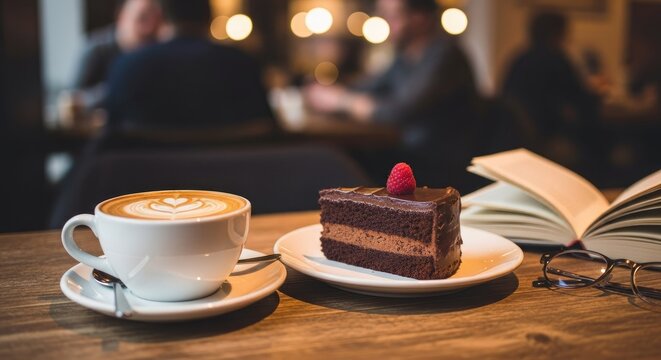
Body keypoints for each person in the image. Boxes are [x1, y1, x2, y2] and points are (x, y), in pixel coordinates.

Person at [305, 0, 478, 188]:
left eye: (392, 16)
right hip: (405, 154)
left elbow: (398, 111)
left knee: (333, 160)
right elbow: (368, 87)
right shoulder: (404, 58)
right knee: (334, 156)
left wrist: (342, 101)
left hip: (436, 162)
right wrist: (331, 92)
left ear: (420, 18)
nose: (385, 24)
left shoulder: (444, 55)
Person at [103, 0, 275, 142]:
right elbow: (268, 127)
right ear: (210, 19)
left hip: (139, 177)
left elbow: (110, 133)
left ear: (162, 18)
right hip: (240, 176)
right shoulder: (243, 63)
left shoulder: (128, 64)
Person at [502, 12, 600, 166]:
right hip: (547, 138)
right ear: (556, 33)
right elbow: (580, 99)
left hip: (514, 140)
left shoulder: (519, 59)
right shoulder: (557, 59)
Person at [72, 0, 162, 111]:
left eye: (156, 21)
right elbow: (73, 100)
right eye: (142, 18)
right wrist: (119, 87)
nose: (149, 29)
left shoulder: (157, 52)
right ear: (122, 17)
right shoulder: (96, 49)